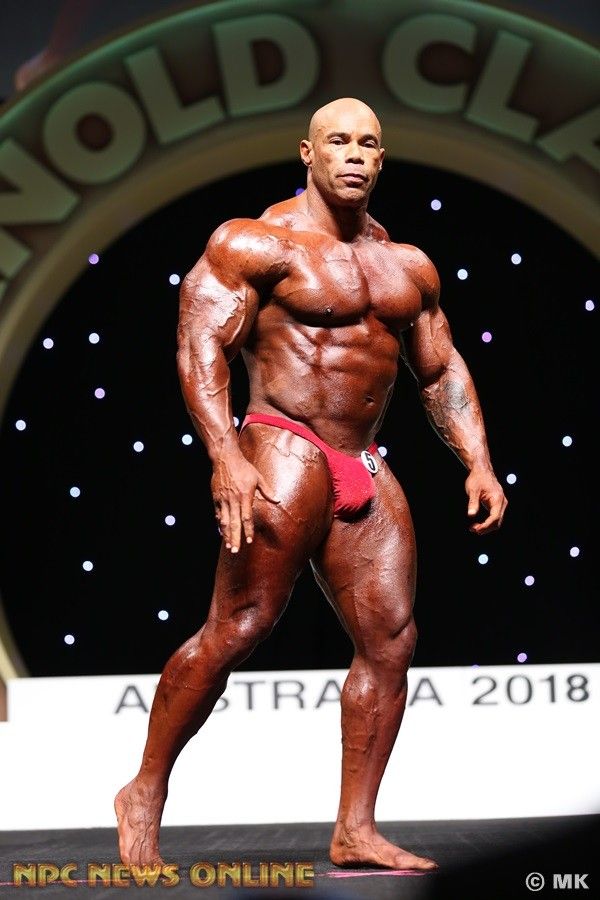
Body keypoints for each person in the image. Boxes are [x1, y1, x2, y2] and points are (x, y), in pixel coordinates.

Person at [115, 97, 507, 871]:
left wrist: (479, 459)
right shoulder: (255, 242)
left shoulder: (407, 265)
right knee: (240, 625)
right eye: (339, 141)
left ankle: (355, 828)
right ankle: (145, 788)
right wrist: (225, 455)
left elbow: (439, 371)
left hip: (364, 458)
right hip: (281, 444)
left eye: (368, 143)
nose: (354, 155)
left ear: (382, 159)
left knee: (392, 641)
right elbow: (200, 345)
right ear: (309, 153)